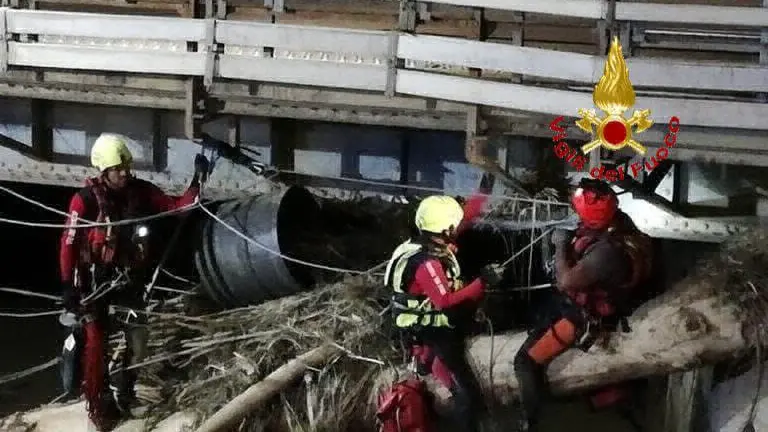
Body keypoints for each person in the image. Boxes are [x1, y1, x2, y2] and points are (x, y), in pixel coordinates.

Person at [58, 133, 209, 429]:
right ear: (103, 171)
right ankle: (98, 405)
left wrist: (197, 180)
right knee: (95, 347)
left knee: (138, 341)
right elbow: (68, 243)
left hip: (128, 280)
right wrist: (68, 287)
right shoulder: (84, 201)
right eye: (118, 168)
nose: (125, 173)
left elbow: (178, 207)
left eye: (126, 166)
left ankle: (124, 391)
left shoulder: (140, 192)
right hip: (95, 283)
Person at [513, 178, 653, 431]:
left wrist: (559, 245)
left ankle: (531, 421)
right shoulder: (616, 223)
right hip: (586, 303)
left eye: (579, 209)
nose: (576, 211)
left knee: (524, 362)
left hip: (582, 317)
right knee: (539, 315)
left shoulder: (606, 254)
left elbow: (566, 282)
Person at [383, 174, 504, 432]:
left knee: (445, 360)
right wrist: (483, 281)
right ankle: (466, 418)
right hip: (431, 327)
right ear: (445, 228)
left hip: (417, 320)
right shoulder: (428, 263)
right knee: (468, 391)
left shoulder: (424, 240)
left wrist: (484, 189)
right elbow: (445, 301)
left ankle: (431, 364)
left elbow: (466, 216)